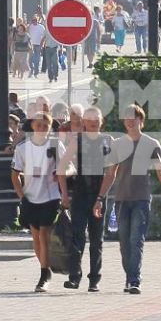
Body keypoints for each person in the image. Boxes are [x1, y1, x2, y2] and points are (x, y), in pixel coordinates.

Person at [111, 104, 161, 294]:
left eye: (134, 117)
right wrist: (100, 197)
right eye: (127, 118)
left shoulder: (151, 144)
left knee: (136, 239)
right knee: (124, 242)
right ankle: (129, 277)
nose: (130, 121)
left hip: (141, 199)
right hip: (121, 199)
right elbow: (111, 173)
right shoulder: (117, 144)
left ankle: (135, 280)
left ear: (141, 120)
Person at [58, 107, 113, 290]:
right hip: (80, 194)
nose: (93, 125)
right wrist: (65, 195)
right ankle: (75, 276)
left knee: (97, 239)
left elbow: (111, 172)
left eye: (96, 121)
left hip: (99, 193)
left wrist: (100, 197)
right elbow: (62, 167)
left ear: (101, 122)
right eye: (89, 122)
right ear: (84, 123)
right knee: (77, 236)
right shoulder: (77, 140)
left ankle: (94, 279)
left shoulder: (108, 141)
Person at [12, 113, 63, 292]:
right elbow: (15, 174)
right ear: (32, 126)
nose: (42, 128)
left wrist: (63, 176)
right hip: (30, 196)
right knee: (35, 235)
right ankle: (45, 266)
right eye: (39, 125)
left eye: (45, 126)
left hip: (50, 195)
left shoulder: (55, 146)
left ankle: (44, 274)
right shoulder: (23, 148)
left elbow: (67, 166)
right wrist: (22, 196)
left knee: (44, 233)